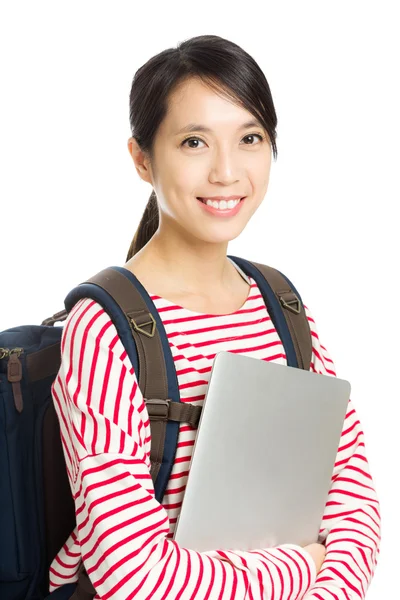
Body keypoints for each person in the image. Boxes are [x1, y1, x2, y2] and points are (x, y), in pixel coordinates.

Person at [48, 34, 381, 599]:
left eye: (249, 138)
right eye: (195, 141)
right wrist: (299, 570)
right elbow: (133, 576)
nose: (228, 172)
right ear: (141, 158)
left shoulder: (284, 307)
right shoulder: (105, 329)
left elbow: (353, 505)